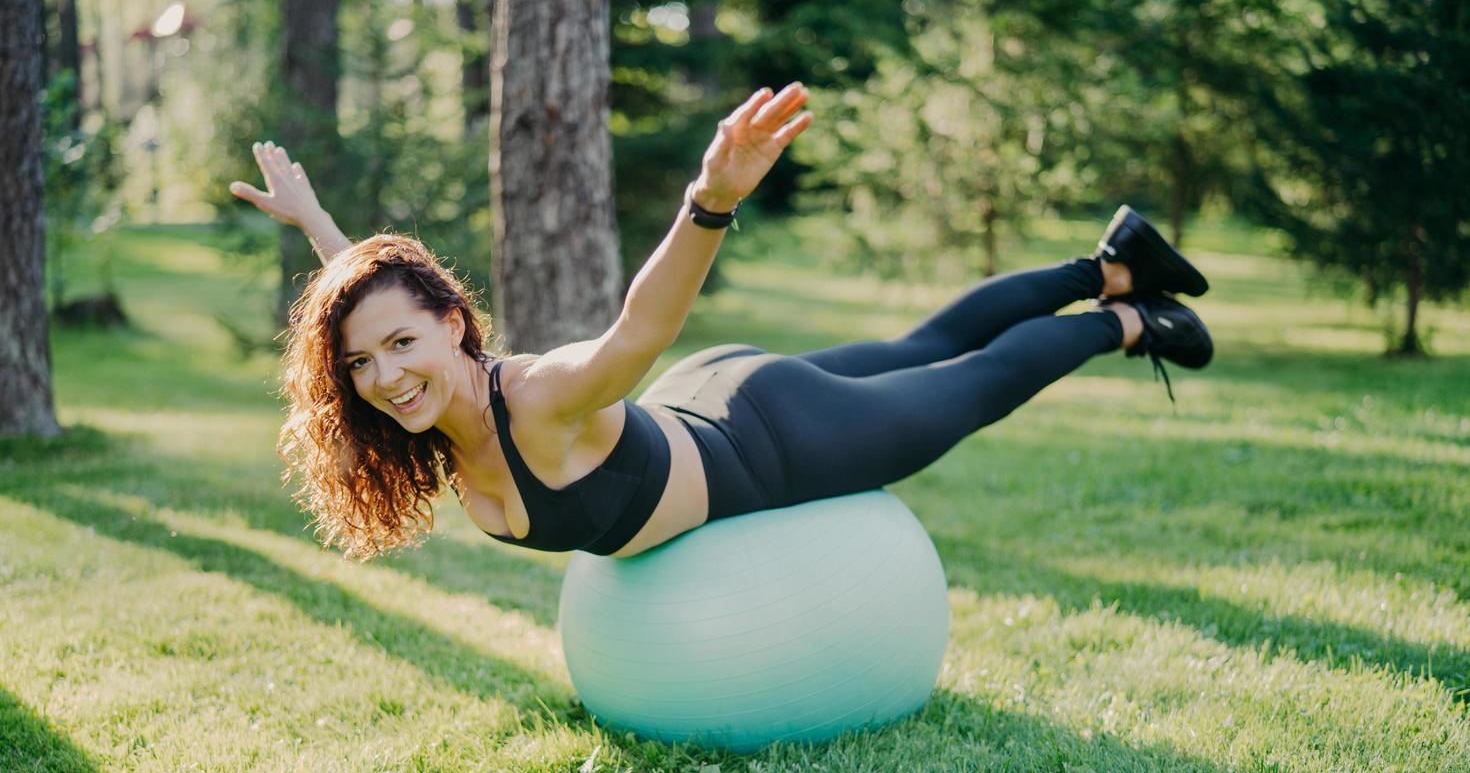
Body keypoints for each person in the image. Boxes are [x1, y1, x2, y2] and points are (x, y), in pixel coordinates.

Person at [231, 82, 1213, 563]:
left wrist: (708, 202)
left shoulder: (534, 398)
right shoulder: (426, 399)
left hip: (772, 438)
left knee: (974, 384)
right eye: (360, 363)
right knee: (922, 348)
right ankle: (1115, 260)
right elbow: (371, 316)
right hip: (709, 401)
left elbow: (635, 335)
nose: (386, 375)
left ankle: (1133, 321)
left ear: (456, 324)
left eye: (405, 344)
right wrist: (321, 226)